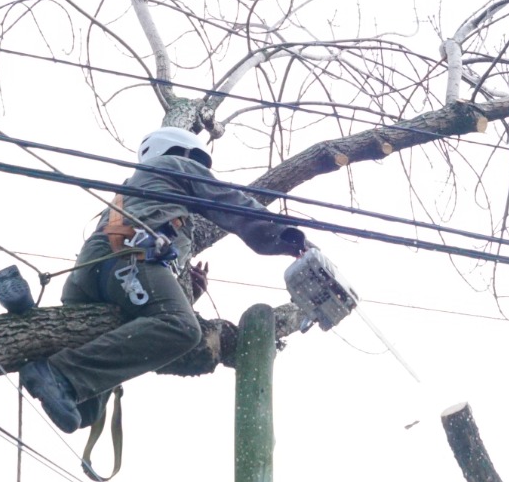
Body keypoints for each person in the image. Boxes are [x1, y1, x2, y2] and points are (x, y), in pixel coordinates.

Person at [19, 127, 308, 432]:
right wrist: (288, 237)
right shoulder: (174, 164)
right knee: (182, 328)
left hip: (91, 276)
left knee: (85, 410)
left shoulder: (139, 194)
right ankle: (60, 373)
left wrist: (189, 292)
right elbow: (231, 202)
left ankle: (63, 378)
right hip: (127, 258)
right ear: (185, 153)